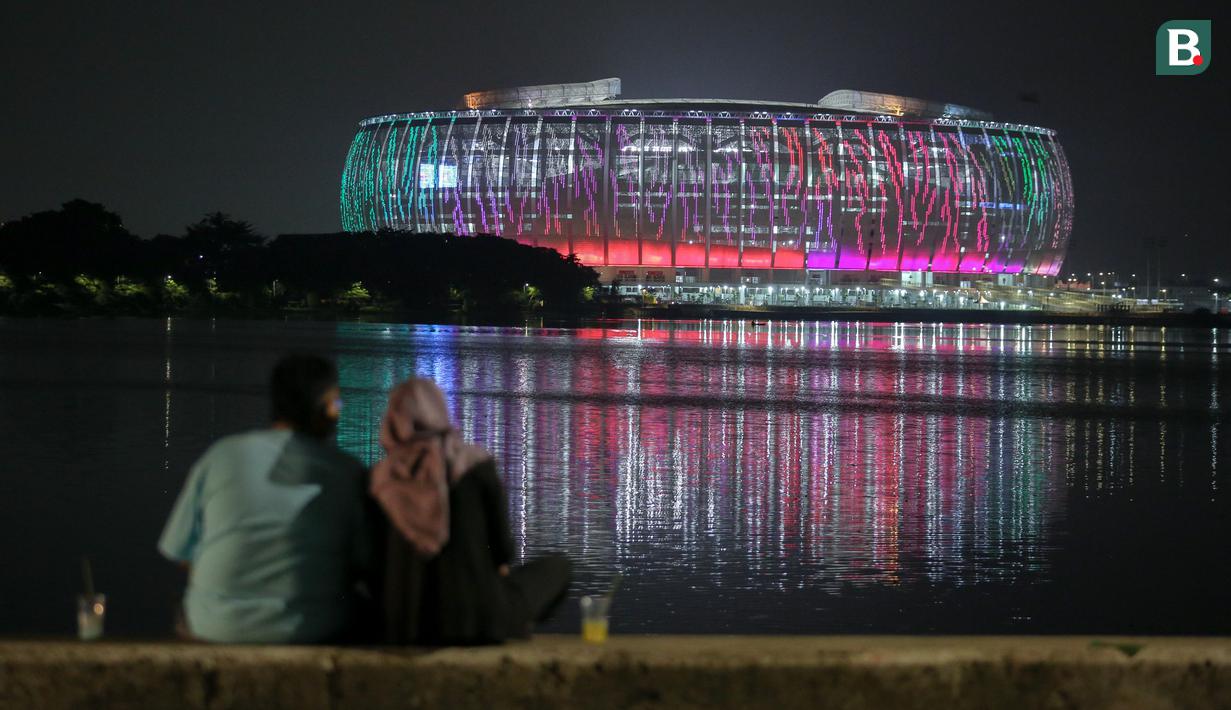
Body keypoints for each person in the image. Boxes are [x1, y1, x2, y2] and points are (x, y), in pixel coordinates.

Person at [157, 354, 373, 643]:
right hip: (311, 627)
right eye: (336, 404)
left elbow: (181, 552)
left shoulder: (222, 455)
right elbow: (363, 561)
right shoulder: (348, 470)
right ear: (324, 409)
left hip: (216, 626)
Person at [371, 378, 570, 645]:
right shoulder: (475, 466)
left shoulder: (381, 480)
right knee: (559, 567)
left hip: (406, 623)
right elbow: (503, 551)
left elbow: (369, 560)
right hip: (479, 620)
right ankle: (514, 623)